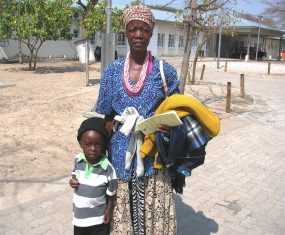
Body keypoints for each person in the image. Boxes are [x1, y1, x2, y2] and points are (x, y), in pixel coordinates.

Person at [95, 4, 180, 235]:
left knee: (152, 220)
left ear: (151, 33)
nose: (139, 35)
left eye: (144, 29)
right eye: (133, 29)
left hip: (154, 158)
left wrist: (164, 127)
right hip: (120, 156)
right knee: (124, 216)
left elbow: (179, 112)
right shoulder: (112, 72)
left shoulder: (165, 72)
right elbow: (105, 116)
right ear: (126, 32)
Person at [70, 117, 118, 235]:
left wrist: (109, 210)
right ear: (81, 143)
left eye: (97, 144)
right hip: (79, 218)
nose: (93, 148)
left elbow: (111, 193)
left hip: (98, 220)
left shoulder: (107, 168)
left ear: (103, 145)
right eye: (88, 144)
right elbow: (74, 175)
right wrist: (72, 181)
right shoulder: (78, 160)